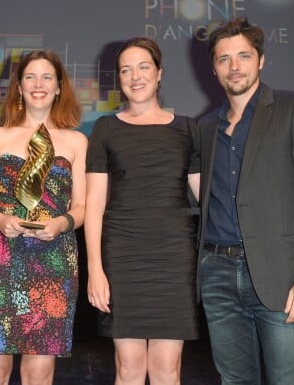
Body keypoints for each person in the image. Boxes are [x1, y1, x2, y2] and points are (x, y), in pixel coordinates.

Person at [194, 17, 294, 384]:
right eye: (224, 59)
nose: (234, 66)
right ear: (213, 68)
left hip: (283, 277)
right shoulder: (206, 127)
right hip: (218, 276)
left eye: (243, 56)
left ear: (261, 60)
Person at [0, 49, 87, 385]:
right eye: (30, 76)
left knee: (39, 371)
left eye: (47, 77)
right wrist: (0, 220)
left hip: (53, 262)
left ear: (59, 87)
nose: (39, 84)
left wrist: (62, 223)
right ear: (18, 86)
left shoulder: (77, 141)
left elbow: (82, 207)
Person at [85, 36, 200, 385]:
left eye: (143, 67)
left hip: (174, 258)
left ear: (160, 73)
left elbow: (207, 197)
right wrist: (95, 269)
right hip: (122, 256)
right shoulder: (105, 128)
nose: (135, 76)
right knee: (130, 367)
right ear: (118, 78)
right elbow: (93, 206)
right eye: (125, 69)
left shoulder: (187, 128)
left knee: (167, 369)